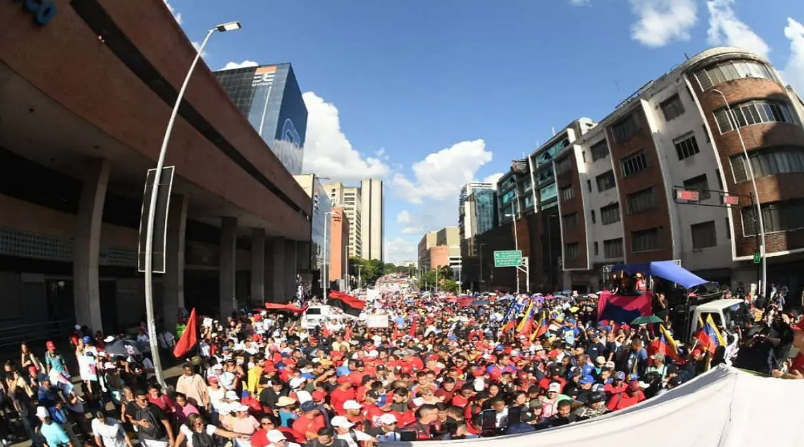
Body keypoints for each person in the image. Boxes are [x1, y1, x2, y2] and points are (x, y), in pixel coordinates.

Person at [175, 413, 249, 447]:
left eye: (202, 422)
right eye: (199, 424)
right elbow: (179, 438)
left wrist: (240, 435)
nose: (202, 424)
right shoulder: (185, 427)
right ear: (192, 425)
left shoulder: (209, 428)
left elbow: (226, 434)